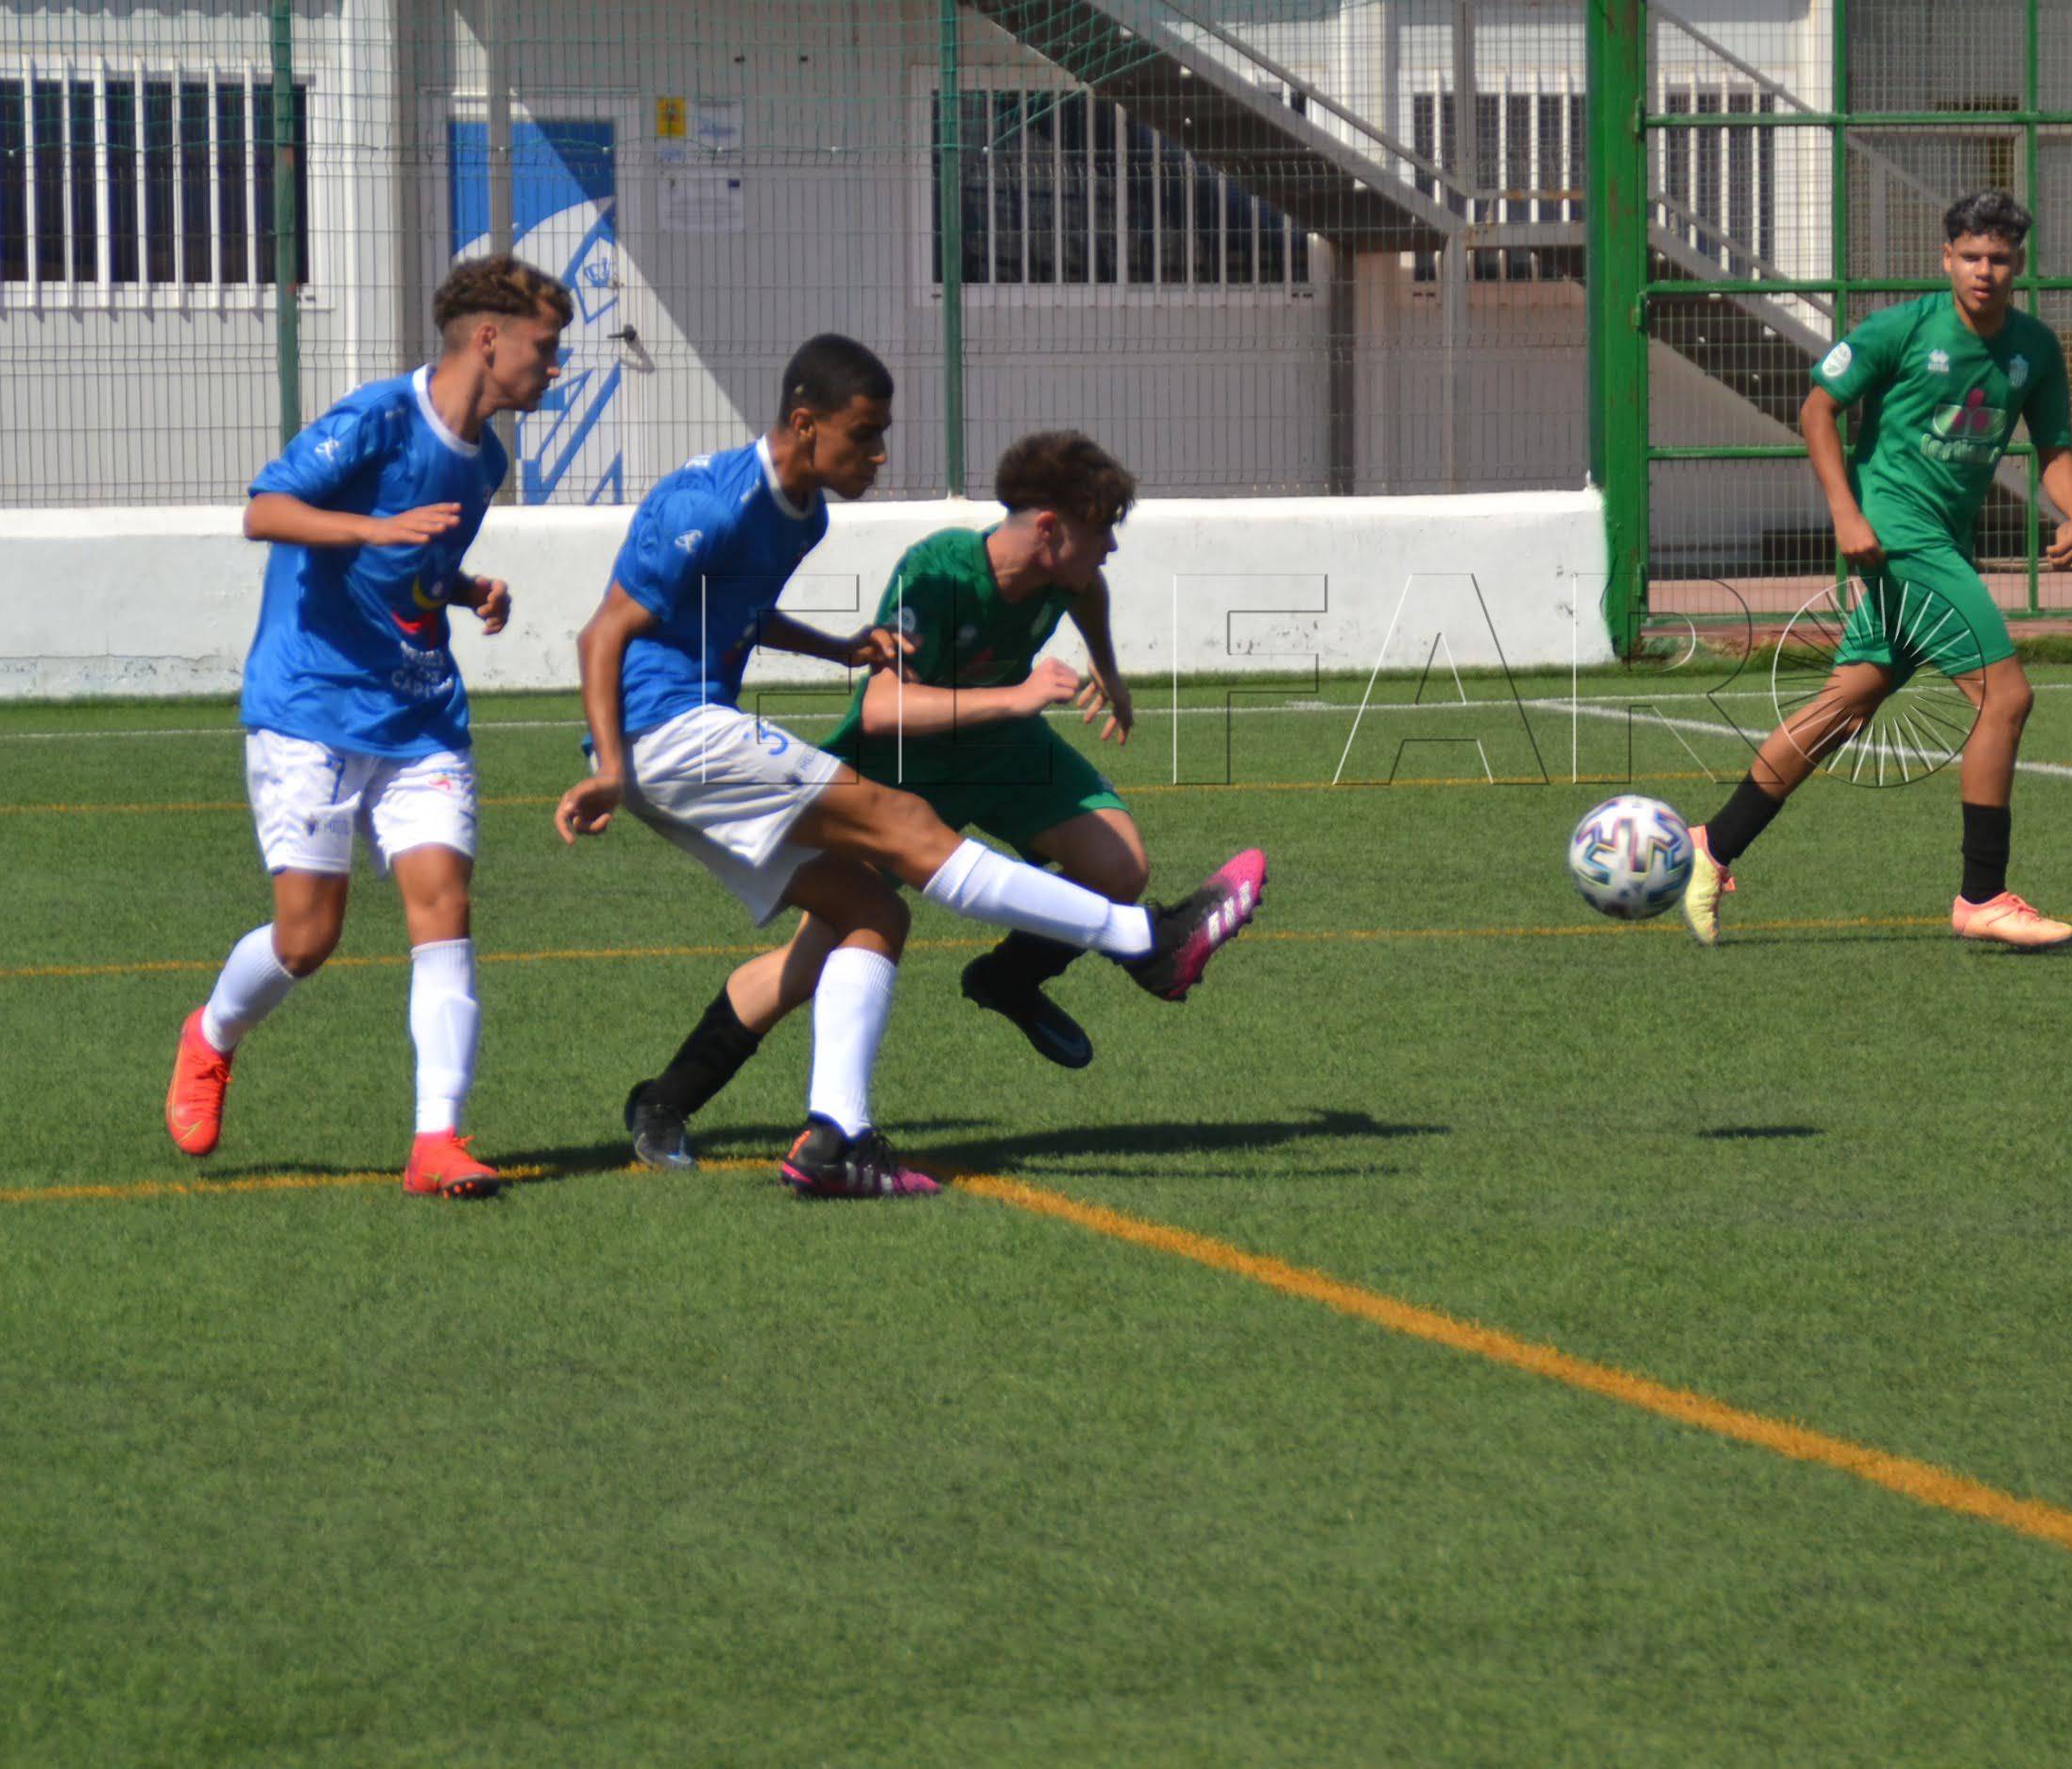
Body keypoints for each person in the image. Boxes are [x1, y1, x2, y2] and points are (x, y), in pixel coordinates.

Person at [554, 335, 1266, 1200]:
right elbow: (603, 633)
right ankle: (1143, 940)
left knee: (873, 913)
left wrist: (832, 645)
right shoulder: (716, 500)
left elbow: (732, 608)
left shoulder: (802, 514)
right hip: (669, 734)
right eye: (866, 435)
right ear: (806, 423)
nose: (881, 455)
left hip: (682, 738)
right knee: (909, 829)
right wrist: (608, 765)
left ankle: (831, 1140)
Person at [167, 255, 573, 1199]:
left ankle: (438, 1140)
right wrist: (371, 530)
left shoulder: (489, 461)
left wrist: (464, 588)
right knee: (307, 939)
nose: (554, 369)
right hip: (310, 703)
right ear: (488, 340)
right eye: (545, 351)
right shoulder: (379, 420)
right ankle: (211, 1036)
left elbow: (417, 572)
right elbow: (265, 511)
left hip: (420, 710)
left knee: (444, 910)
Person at [1682, 189, 2072, 952]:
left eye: (2000, 259)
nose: (1984, 272)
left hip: (1943, 540)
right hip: (1900, 539)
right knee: (2005, 697)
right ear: (1947, 258)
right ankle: (1982, 894)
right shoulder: (1901, 329)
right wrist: (1847, 512)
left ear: (2020, 265)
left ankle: (1713, 845)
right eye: (1971, 257)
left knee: (1848, 705)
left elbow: (2054, 447)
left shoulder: (2034, 349)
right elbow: (1816, 409)